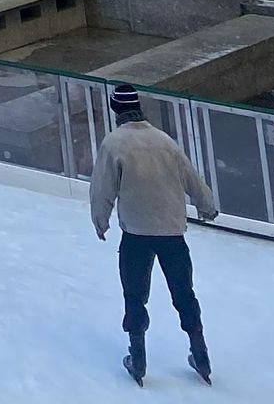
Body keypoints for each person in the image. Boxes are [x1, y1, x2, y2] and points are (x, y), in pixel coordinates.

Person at [90, 84, 218, 387]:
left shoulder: (114, 144)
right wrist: (207, 206)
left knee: (134, 294)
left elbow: (102, 189)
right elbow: (191, 177)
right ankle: (200, 353)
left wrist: (100, 221)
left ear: (115, 110)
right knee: (184, 293)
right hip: (172, 231)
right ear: (139, 107)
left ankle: (138, 356)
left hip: (136, 233)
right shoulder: (164, 141)